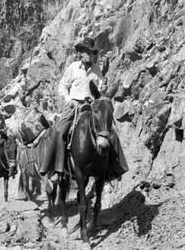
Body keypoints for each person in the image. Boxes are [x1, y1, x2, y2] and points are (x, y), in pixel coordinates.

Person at [39, 36, 128, 183]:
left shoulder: (97, 69)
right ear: (81, 53)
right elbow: (62, 87)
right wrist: (70, 101)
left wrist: (99, 96)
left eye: (92, 52)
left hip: (91, 105)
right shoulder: (73, 67)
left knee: (109, 131)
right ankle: (56, 169)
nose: (89, 55)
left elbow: (98, 91)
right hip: (73, 106)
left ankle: (115, 168)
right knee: (59, 132)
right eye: (86, 52)